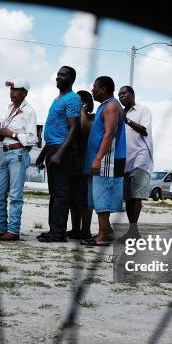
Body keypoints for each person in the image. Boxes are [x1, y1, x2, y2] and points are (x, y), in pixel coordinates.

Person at [0, 79, 38, 241]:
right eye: (11, 89)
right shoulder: (9, 108)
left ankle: (13, 230)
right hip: (6, 153)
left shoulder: (29, 111)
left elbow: (32, 138)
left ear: (25, 93)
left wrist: (11, 134)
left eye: (16, 89)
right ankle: (0, 228)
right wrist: (2, 134)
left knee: (15, 195)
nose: (12, 92)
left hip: (18, 154)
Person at [35, 66, 81, 243]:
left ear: (71, 79)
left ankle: (59, 233)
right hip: (52, 148)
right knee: (54, 193)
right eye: (58, 74)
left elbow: (74, 128)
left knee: (62, 192)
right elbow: (53, 130)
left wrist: (60, 152)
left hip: (63, 150)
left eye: (63, 75)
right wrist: (43, 153)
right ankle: (54, 229)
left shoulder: (73, 99)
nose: (58, 77)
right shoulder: (57, 98)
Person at [82, 76, 126, 246]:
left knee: (102, 196)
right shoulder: (104, 106)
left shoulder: (112, 106)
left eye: (95, 87)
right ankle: (106, 232)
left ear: (105, 89)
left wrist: (98, 158)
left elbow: (109, 134)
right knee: (96, 197)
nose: (92, 90)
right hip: (99, 159)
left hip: (108, 159)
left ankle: (102, 235)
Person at [118, 85, 154, 241]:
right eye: (119, 94)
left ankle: (133, 231)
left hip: (141, 156)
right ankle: (132, 231)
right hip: (125, 159)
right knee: (128, 197)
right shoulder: (120, 112)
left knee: (136, 195)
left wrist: (126, 120)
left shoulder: (143, 110)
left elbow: (144, 130)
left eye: (124, 93)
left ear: (132, 94)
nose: (121, 96)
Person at [67, 90, 95, 240]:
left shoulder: (92, 117)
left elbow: (86, 131)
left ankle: (86, 230)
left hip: (86, 161)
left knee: (85, 198)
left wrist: (83, 112)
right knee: (73, 198)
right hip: (73, 160)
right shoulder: (72, 118)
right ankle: (75, 229)